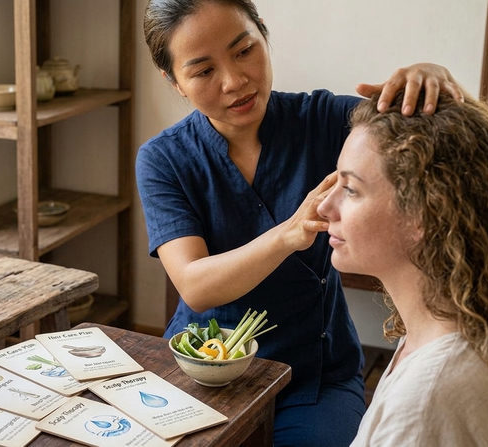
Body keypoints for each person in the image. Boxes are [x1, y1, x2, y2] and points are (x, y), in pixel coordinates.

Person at [137, 0, 465, 445]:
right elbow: (195, 285)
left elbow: (434, 137)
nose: (235, 81)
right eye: (203, 71)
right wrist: (288, 234)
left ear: (263, 34)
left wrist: (432, 77)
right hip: (204, 368)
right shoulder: (163, 159)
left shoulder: (326, 121)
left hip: (315, 374)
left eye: (243, 50)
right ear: (173, 81)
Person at [317, 92, 488, 446]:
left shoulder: (426, 401)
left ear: (425, 213)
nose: (324, 206)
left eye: (350, 189)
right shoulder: (462, 322)